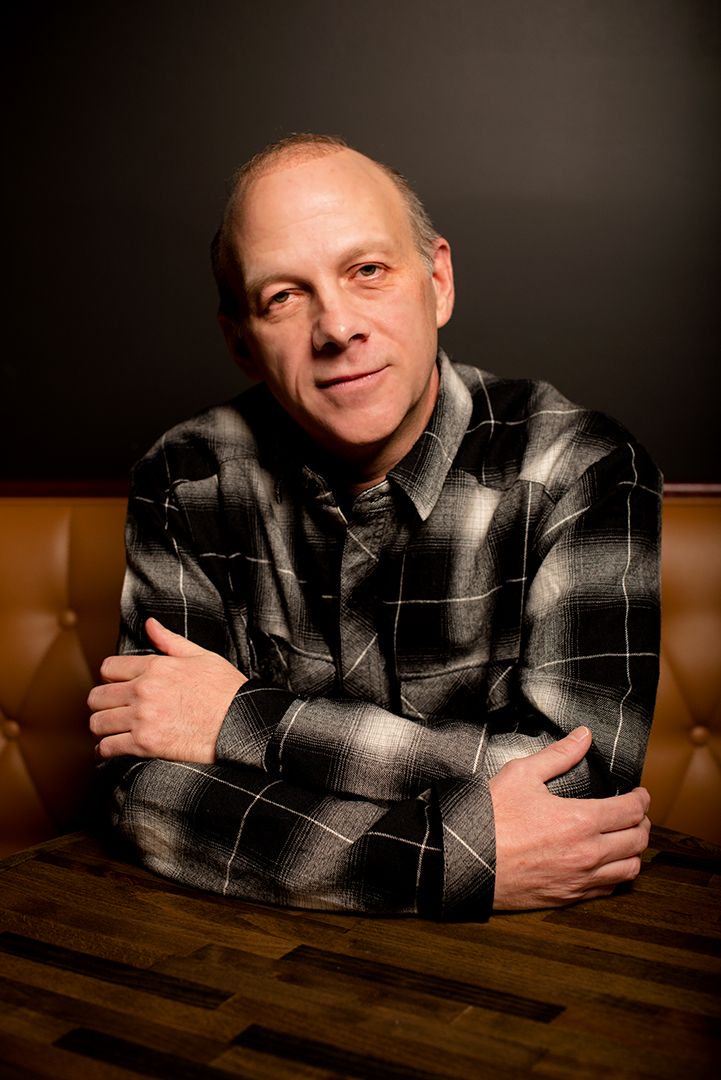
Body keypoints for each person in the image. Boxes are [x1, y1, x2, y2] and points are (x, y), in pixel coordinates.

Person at [88, 134, 660, 921]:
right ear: (240, 342)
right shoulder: (188, 477)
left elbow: (581, 793)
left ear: (437, 282)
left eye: (366, 271)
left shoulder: (580, 466)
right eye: (282, 296)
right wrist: (434, 858)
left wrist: (244, 721)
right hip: (246, 952)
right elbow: (143, 786)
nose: (336, 327)